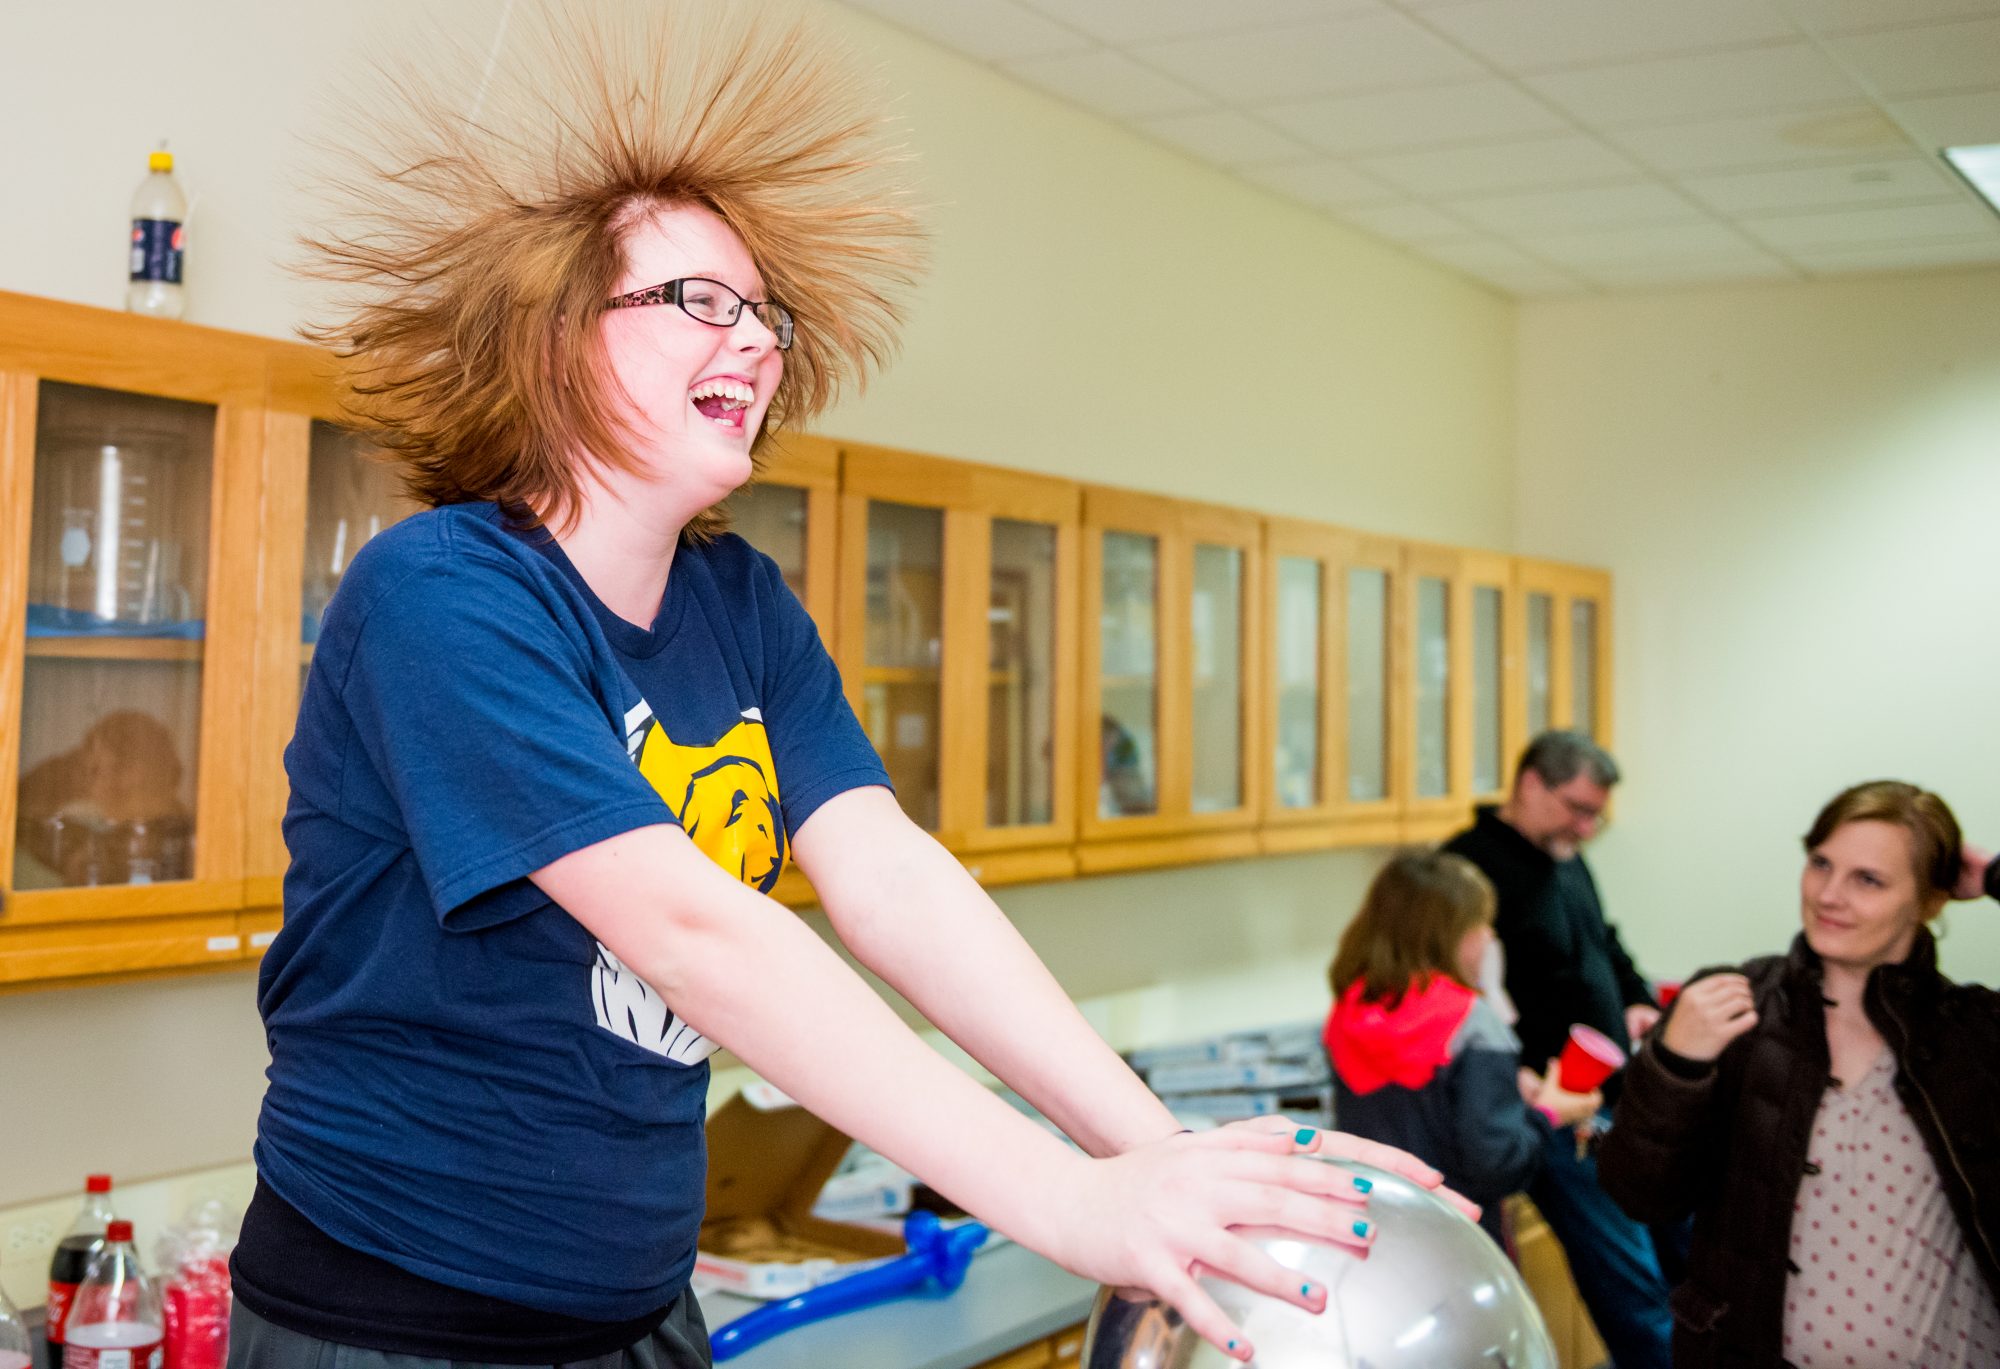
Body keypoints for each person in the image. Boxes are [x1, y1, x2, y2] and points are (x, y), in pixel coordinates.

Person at [226, 7, 1463, 1368]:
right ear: (556, 336)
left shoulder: (737, 603)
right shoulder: (444, 595)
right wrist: (1067, 1199)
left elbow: (890, 880)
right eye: (699, 300)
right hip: (395, 1323)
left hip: (636, 1306)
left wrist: (1155, 1154)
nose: (754, 343)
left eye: (765, 314)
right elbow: (693, 932)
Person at [1599, 781, 2000, 1367]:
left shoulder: (1977, 1035)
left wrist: (1993, 877)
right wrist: (1675, 1065)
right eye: (1820, 863)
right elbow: (1639, 1195)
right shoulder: (1733, 1009)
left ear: (1930, 901)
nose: (1829, 895)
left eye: (1869, 879)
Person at [1443, 730, 1674, 1369]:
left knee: (1674, 1261)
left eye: (1596, 814)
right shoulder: (1466, 870)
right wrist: (1515, 1080)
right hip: (1547, 1115)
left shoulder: (1566, 855)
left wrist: (1637, 998)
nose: (1588, 826)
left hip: (1611, 1100)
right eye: (1577, 807)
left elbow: (1604, 943)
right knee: (1632, 1286)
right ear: (1529, 785)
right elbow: (1457, 1000)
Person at [1323, 850, 1602, 1248]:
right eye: (1481, 924)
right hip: (1457, 1236)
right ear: (1451, 935)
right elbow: (1497, 1164)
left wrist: (1505, 1086)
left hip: (1374, 1227)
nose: (1489, 936)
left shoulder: (1348, 1009)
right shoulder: (1472, 1022)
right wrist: (1548, 1113)